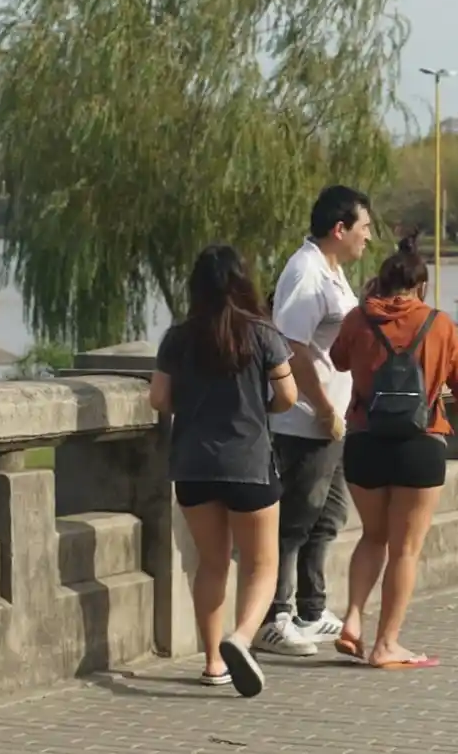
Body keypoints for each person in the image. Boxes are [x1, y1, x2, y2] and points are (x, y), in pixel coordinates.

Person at [329, 234, 458, 668]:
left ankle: (351, 619)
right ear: (421, 287)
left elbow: (338, 360)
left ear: (378, 284)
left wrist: (362, 311)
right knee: (405, 550)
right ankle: (386, 645)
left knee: (372, 535)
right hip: (419, 444)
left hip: (364, 440)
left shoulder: (358, 319)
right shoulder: (438, 324)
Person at [149, 246, 298, 698]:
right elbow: (288, 396)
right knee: (261, 563)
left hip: (193, 466)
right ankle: (242, 637)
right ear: (242, 281)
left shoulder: (178, 337)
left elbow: (158, 399)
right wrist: (259, 406)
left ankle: (214, 663)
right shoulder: (262, 334)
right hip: (249, 463)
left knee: (211, 564)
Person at [254, 185, 374, 657]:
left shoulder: (333, 271)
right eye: (364, 228)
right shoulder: (306, 272)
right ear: (339, 228)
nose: (369, 237)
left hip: (334, 422)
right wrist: (323, 407)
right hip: (307, 421)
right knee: (295, 519)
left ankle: (311, 607)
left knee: (328, 516)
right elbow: (292, 346)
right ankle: (274, 616)